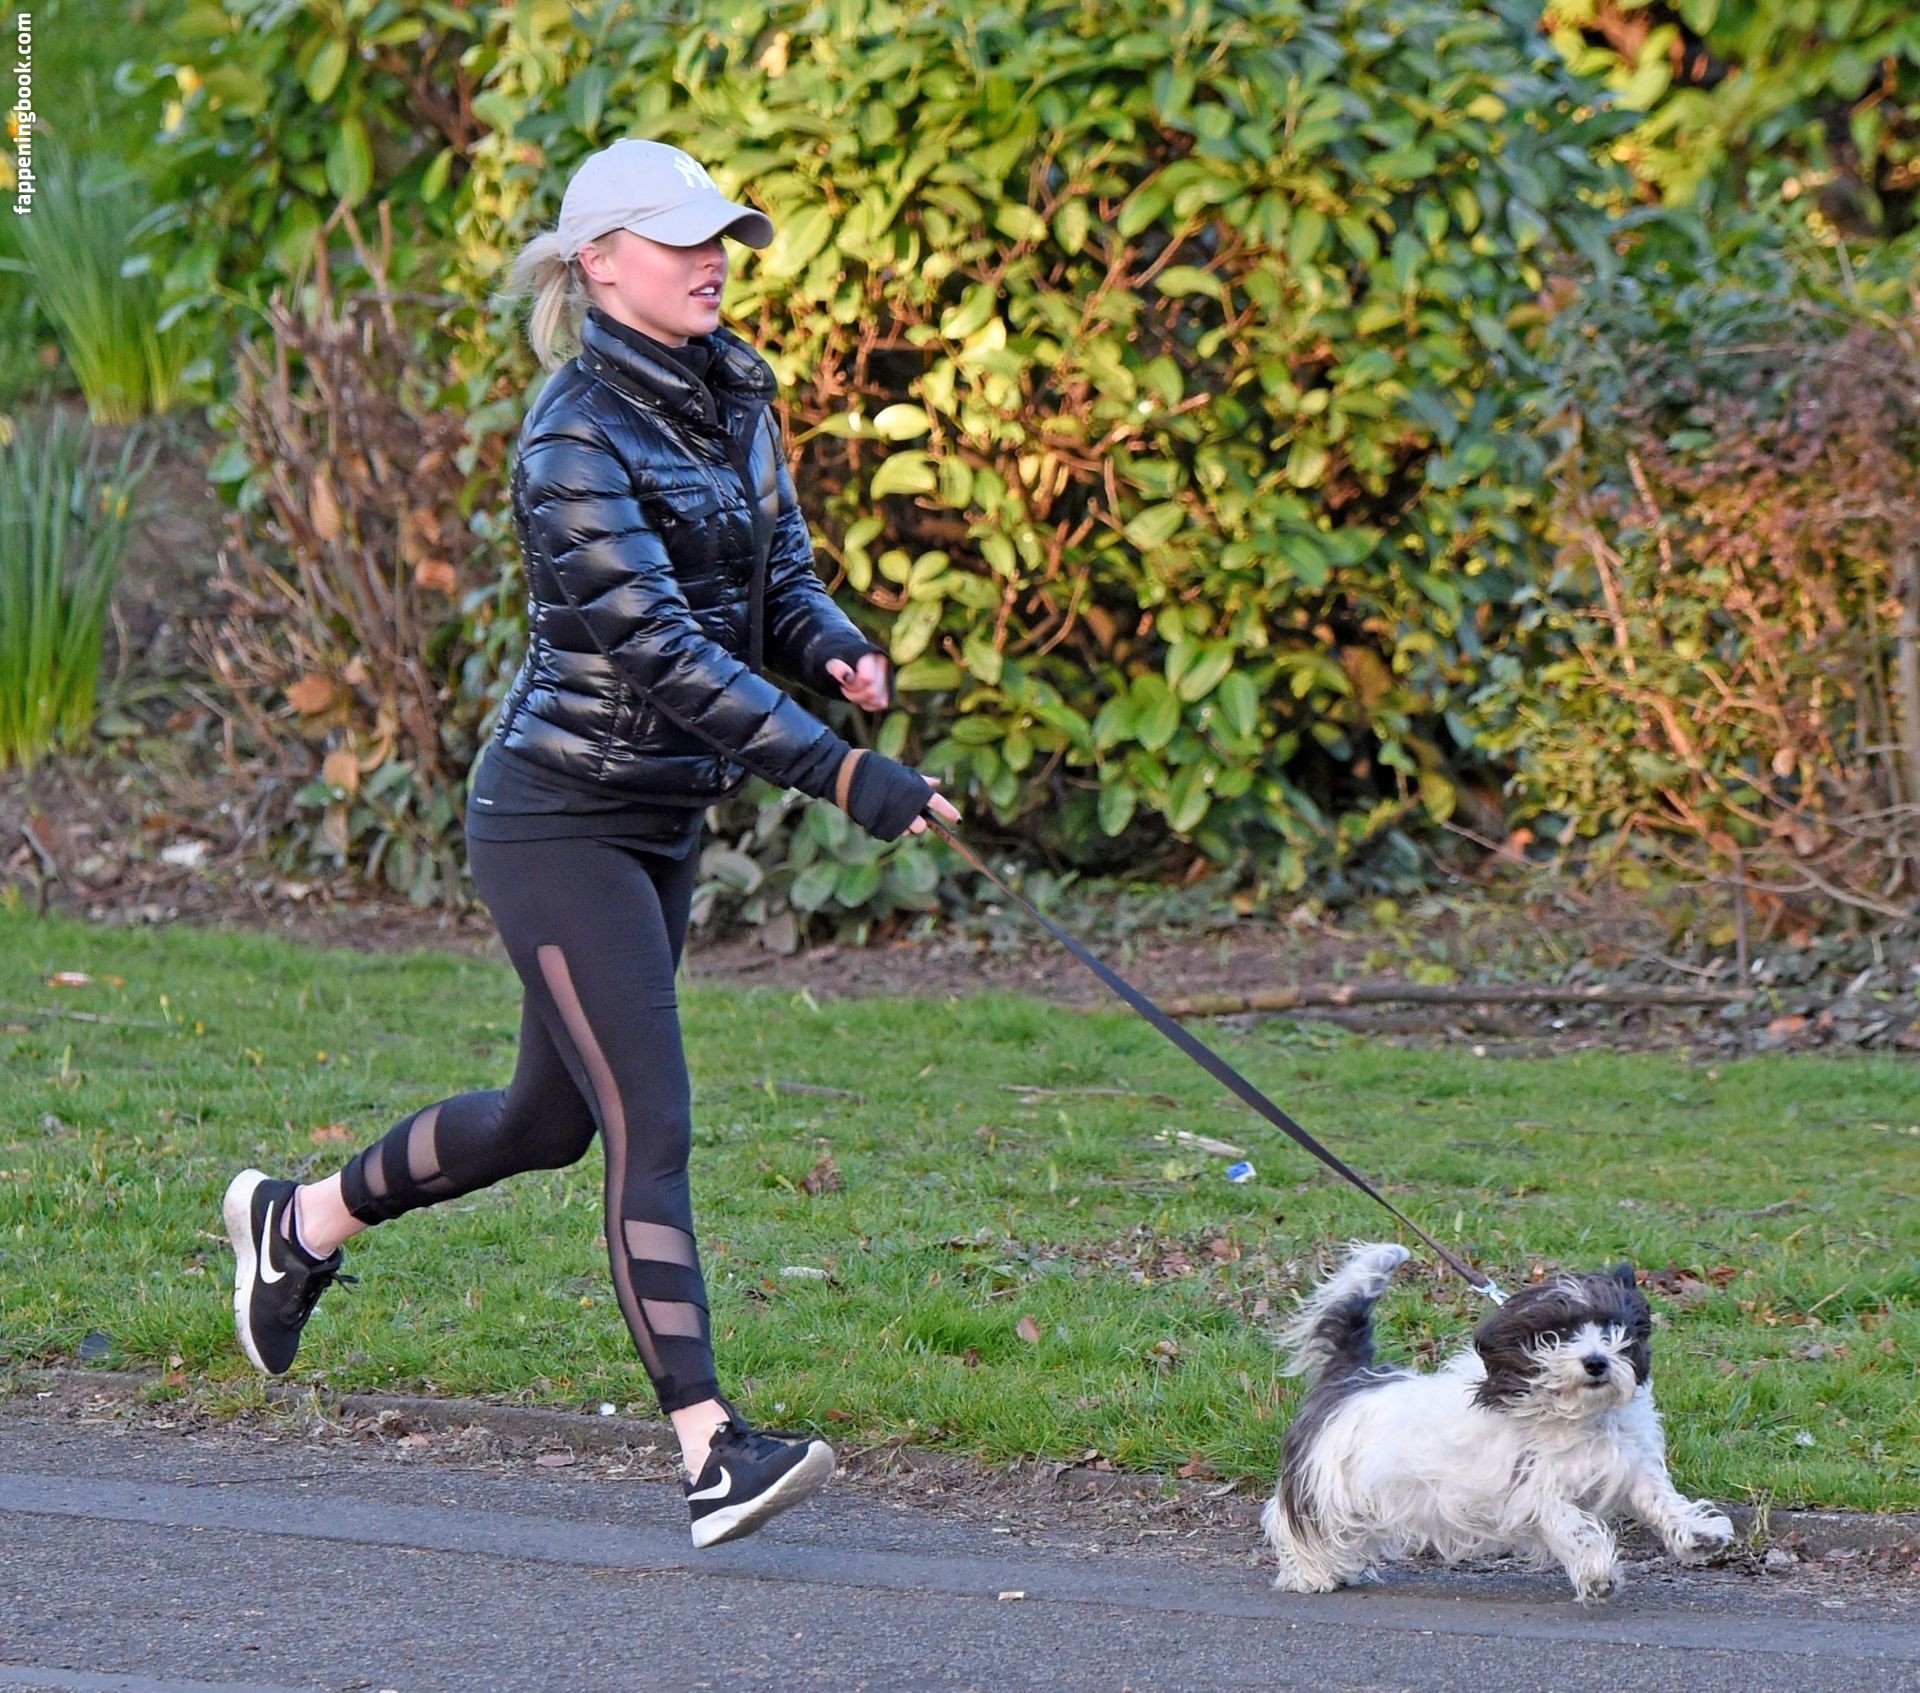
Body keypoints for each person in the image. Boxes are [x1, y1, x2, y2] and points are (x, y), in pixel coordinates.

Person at [221, 138, 960, 1549]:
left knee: (544, 1122)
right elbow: (661, 649)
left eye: (720, 236)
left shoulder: (734, 389)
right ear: (598, 265)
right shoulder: (570, 438)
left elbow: (775, 573)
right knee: (647, 1121)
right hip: (557, 818)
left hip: (660, 815)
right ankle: (710, 1449)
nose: (713, 260)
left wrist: (832, 645)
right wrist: (837, 769)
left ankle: (297, 1225)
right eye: (682, 240)